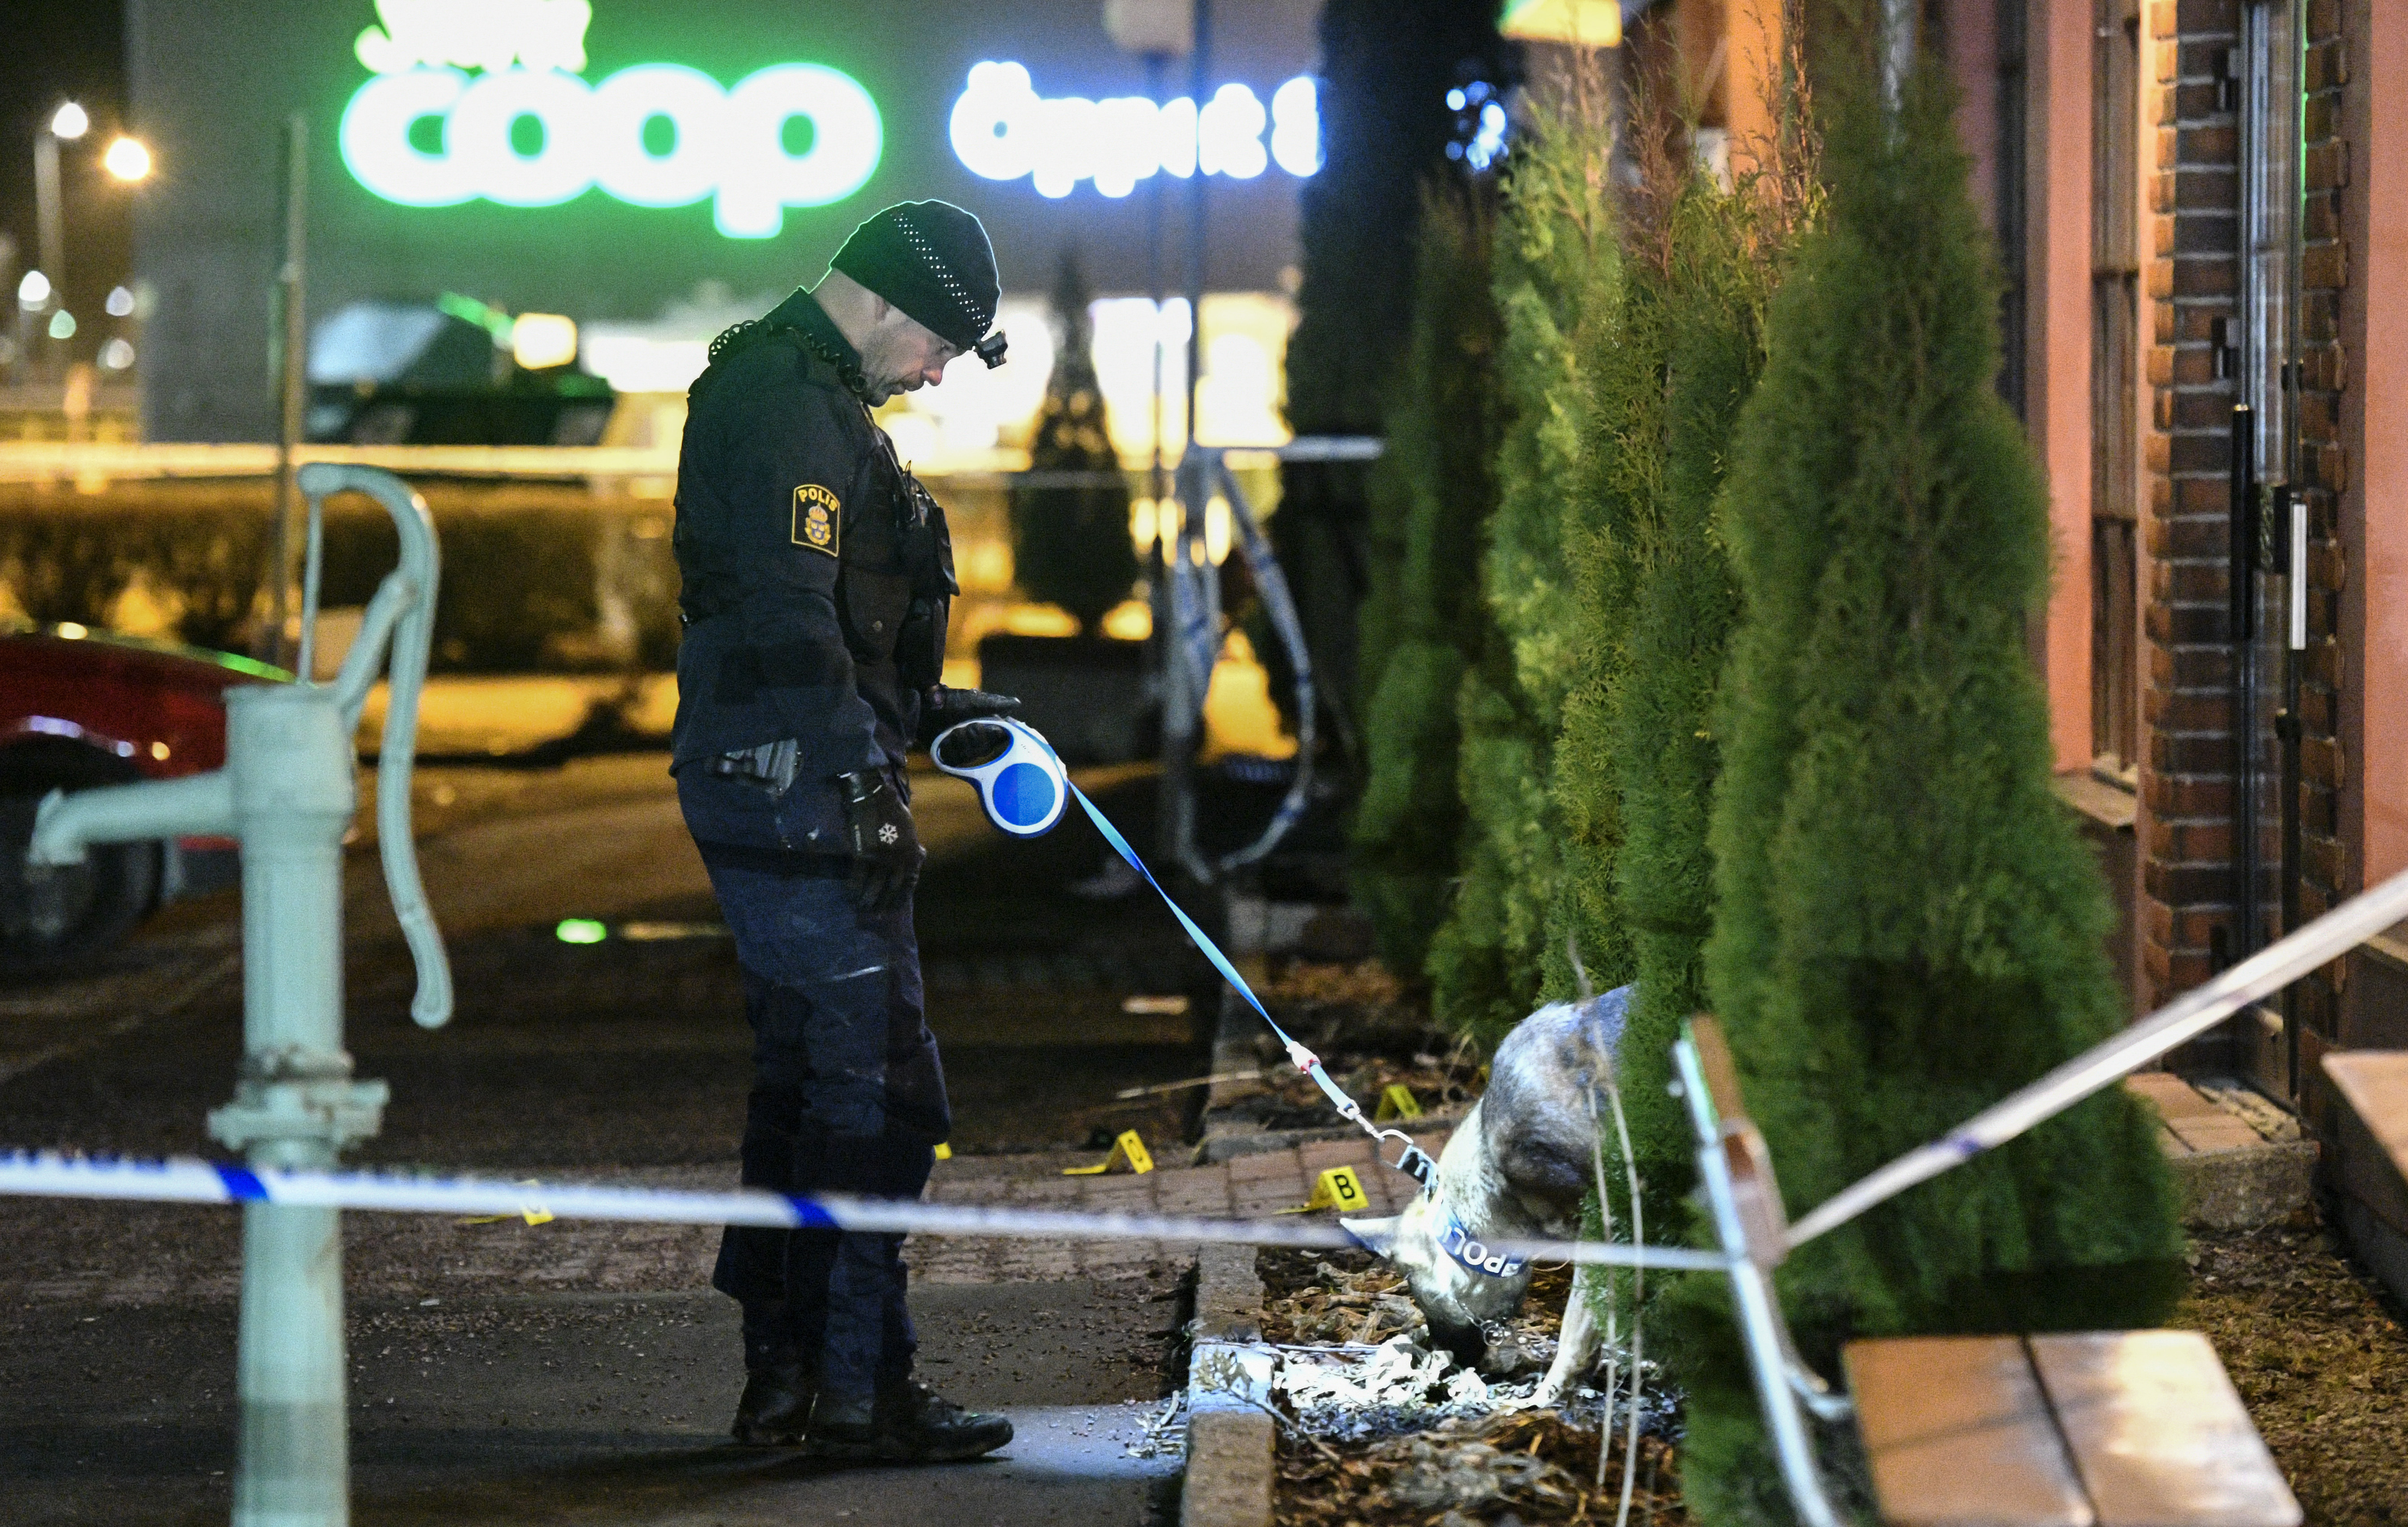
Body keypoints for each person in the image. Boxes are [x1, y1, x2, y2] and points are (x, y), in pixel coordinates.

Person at [669, 199, 1023, 1462]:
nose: (936, 372)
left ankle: (789, 1385)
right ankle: (860, 1394)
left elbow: (821, 622)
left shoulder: (798, 391)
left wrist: (928, 713)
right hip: (797, 790)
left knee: (813, 1087)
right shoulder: (787, 402)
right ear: (880, 298)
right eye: (938, 342)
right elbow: (782, 614)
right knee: (880, 1095)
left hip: (780, 774)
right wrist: (860, 783)